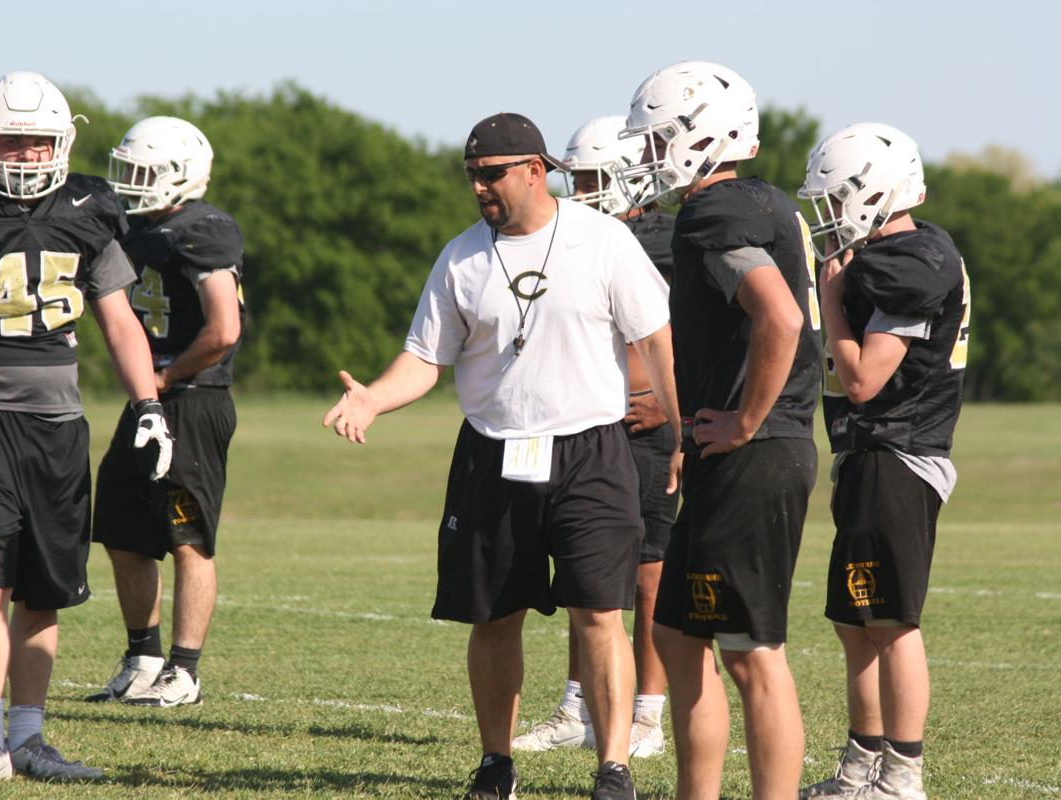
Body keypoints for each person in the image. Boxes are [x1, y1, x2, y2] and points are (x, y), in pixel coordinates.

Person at [323, 112, 682, 800]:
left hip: (592, 451)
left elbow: (657, 340)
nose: (479, 187)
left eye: (491, 174)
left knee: (599, 613)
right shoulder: (461, 257)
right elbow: (425, 358)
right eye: (471, 176)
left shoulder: (602, 240)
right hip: (492, 453)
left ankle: (613, 769)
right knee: (492, 617)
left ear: (535, 171)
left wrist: (681, 430)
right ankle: (496, 764)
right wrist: (373, 398)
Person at [0, 71, 173, 787]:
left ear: (63, 142)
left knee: (45, 592)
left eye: (38, 141)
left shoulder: (88, 211)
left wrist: (149, 405)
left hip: (60, 427)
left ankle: (27, 740)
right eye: (9, 141)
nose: (24, 155)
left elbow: (121, 322)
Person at [618, 61, 823, 799]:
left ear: (696, 136)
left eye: (656, 140)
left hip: (755, 450)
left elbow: (781, 317)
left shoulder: (716, 213)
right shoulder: (762, 202)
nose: (648, 155)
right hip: (744, 450)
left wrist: (745, 419)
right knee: (677, 636)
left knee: (752, 653)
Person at [797, 123, 968, 800]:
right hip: (871, 454)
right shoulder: (895, 254)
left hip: (899, 454)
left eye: (837, 198)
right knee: (856, 621)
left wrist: (831, 302)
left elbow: (864, 378)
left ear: (874, 192)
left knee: (892, 622)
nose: (830, 215)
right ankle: (861, 765)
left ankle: (901, 775)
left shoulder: (912, 262)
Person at [512, 115, 677, 760]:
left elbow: (687, 334)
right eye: (575, 178)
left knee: (647, 573)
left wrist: (671, 403)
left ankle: (648, 714)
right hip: (586, 426)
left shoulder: (666, 240)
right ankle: (578, 707)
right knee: (587, 578)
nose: (579, 191)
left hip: (641, 425)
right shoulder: (576, 237)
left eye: (590, 178)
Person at [85, 116, 244, 707]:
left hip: (193, 399)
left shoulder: (204, 229)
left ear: (180, 175)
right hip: (147, 401)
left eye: (143, 172)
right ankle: (143, 659)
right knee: (122, 531)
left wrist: (166, 375)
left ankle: (185, 670)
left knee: (187, 537)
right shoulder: (136, 228)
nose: (130, 182)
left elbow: (224, 329)